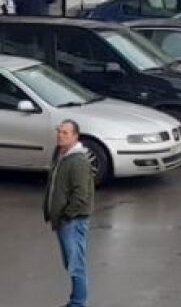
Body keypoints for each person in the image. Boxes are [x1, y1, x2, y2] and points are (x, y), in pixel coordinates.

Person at [44, 120, 94, 307]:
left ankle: (78, 303)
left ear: (75, 136)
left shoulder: (78, 161)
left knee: (76, 265)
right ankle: (75, 301)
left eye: (65, 133)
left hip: (73, 221)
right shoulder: (61, 155)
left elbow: (81, 194)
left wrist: (67, 215)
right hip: (63, 220)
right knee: (70, 264)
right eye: (59, 131)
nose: (60, 135)